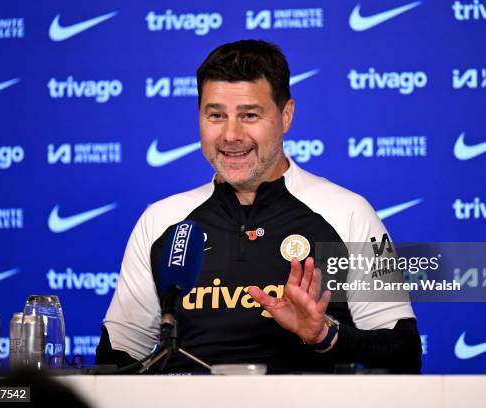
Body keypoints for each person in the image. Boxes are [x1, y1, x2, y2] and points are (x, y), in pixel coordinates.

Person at [96, 40, 422, 373]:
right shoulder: (162, 221)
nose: (231, 135)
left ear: (286, 115)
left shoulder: (347, 213)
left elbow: (405, 351)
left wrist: (324, 335)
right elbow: (116, 358)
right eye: (216, 115)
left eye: (249, 115)